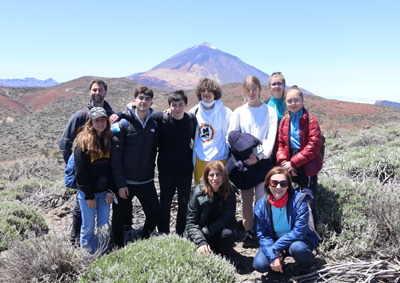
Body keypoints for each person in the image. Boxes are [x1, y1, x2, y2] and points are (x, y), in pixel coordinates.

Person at [58, 79, 120, 246]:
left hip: (102, 188)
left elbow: (113, 165)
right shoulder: (81, 117)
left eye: (100, 90)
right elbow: (64, 143)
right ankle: (77, 245)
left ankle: (101, 252)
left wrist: (111, 189)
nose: (97, 92)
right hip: (86, 185)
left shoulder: (109, 131)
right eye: (94, 90)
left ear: (105, 92)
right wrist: (75, 170)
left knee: (101, 223)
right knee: (84, 219)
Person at [227, 76, 277, 248]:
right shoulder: (239, 112)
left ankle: (262, 232)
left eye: (254, 88)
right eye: (248, 89)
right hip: (244, 163)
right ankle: (248, 232)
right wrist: (247, 157)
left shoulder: (269, 112)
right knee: (246, 199)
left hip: (262, 163)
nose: (251, 92)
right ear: (244, 91)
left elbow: (270, 138)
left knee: (262, 198)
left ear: (260, 89)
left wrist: (257, 155)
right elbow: (232, 137)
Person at [111, 86, 161, 247]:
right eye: (141, 98)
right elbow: (115, 156)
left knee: (154, 214)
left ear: (151, 102)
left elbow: (154, 150)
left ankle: (143, 243)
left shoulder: (154, 125)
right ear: (134, 101)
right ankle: (118, 248)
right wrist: (120, 184)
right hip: (125, 183)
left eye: (147, 99)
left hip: (146, 181)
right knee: (118, 218)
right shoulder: (123, 123)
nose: (144, 101)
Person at [253, 166, 319, 275]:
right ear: (268, 185)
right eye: (274, 183)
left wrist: (274, 249)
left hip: (298, 241)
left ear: (288, 186)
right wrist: (273, 254)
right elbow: (263, 235)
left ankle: (306, 267)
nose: (278, 187)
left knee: (297, 248)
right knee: (259, 264)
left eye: (283, 183)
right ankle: (277, 265)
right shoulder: (261, 205)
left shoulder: (299, 200)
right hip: (274, 240)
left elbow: (299, 232)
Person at [151, 90, 197, 235]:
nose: (177, 108)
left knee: (184, 204)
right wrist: (118, 114)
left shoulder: (191, 120)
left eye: (180, 105)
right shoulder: (161, 118)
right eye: (174, 105)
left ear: (186, 105)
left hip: (185, 169)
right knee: (165, 203)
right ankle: (163, 234)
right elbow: (141, 114)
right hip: (166, 170)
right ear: (169, 106)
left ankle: (181, 234)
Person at [276, 85, 323, 222]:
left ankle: (311, 236)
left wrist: (293, 163)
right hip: (289, 164)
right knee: (291, 200)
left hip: (307, 166)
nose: (293, 103)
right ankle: (293, 233)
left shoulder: (311, 120)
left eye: (296, 100)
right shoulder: (284, 121)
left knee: (308, 201)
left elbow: (313, 146)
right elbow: (280, 144)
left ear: (302, 100)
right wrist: (284, 163)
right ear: (285, 102)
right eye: (290, 101)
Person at [74, 107, 115, 254]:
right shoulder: (82, 142)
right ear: (90, 122)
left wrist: (111, 191)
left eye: (103, 119)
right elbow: (80, 172)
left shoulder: (109, 139)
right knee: (88, 227)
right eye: (97, 120)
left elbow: (112, 168)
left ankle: (102, 255)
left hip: (104, 192)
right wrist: (89, 196)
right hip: (88, 194)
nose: (101, 123)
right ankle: (87, 258)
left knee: (104, 226)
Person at [183, 160, 238, 255]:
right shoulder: (198, 192)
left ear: (224, 176)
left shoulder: (229, 190)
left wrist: (207, 230)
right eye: (211, 175)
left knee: (231, 233)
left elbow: (228, 217)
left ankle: (219, 254)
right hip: (200, 231)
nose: (215, 178)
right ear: (206, 177)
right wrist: (200, 240)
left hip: (215, 230)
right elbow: (191, 222)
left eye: (218, 174)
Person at [189, 78, 232, 185]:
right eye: (203, 91)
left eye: (209, 90)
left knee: (221, 191)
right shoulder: (194, 111)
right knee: (201, 191)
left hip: (220, 158)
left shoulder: (225, 112)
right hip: (200, 159)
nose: (206, 93)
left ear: (215, 93)